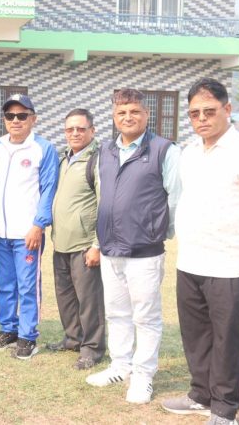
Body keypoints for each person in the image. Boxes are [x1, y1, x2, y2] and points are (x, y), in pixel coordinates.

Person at [161, 78, 239, 424]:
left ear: (227, 109)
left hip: (230, 264)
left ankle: (225, 410)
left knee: (228, 339)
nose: (201, 118)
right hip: (191, 260)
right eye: (195, 113)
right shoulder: (189, 152)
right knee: (196, 335)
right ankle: (200, 394)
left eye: (209, 111)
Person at [86, 88, 181, 405]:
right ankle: (120, 366)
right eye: (121, 112)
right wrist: (100, 240)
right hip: (110, 248)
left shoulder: (164, 150)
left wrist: (158, 231)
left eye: (134, 111)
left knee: (146, 317)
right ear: (114, 116)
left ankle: (143, 376)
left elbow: (176, 197)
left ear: (146, 114)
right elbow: (104, 197)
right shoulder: (106, 150)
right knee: (116, 313)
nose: (128, 117)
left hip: (144, 251)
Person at [0, 94, 59, 360]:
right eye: (10, 116)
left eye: (22, 115)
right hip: (0, 232)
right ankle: (9, 328)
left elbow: (49, 188)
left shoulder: (43, 148)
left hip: (27, 233)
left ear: (33, 119)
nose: (15, 120)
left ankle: (28, 335)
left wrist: (39, 225)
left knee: (28, 286)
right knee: (5, 284)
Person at [47, 108, 105, 370]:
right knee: (66, 296)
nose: (75, 133)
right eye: (70, 129)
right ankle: (73, 338)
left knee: (89, 300)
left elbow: (104, 204)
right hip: (61, 241)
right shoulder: (63, 158)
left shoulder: (97, 160)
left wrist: (97, 245)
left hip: (84, 244)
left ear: (92, 130)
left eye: (81, 129)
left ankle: (92, 348)